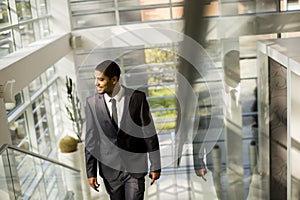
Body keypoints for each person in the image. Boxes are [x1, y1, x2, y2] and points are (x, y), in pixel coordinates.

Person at [84, 60, 161, 200]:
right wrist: (91, 172)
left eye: (100, 79)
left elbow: (149, 133)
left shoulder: (137, 98)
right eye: (95, 79)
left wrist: (155, 165)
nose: (96, 83)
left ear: (114, 79)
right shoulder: (91, 103)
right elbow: (91, 140)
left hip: (135, 167)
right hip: (110, 170)